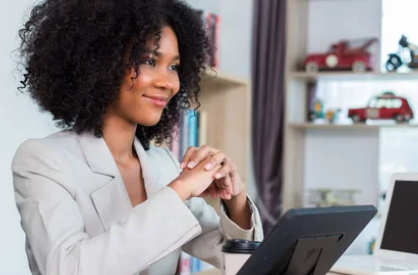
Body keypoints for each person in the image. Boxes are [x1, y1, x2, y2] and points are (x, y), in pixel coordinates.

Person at [12, 0, 263, 274]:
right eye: (149, 61)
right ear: (101, 61)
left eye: (174, 67)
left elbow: (240, 262)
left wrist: (235, 199)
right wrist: (178, 191)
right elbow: (67, 268)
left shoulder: (162, 163)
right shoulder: (44, 160)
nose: (168, 83)